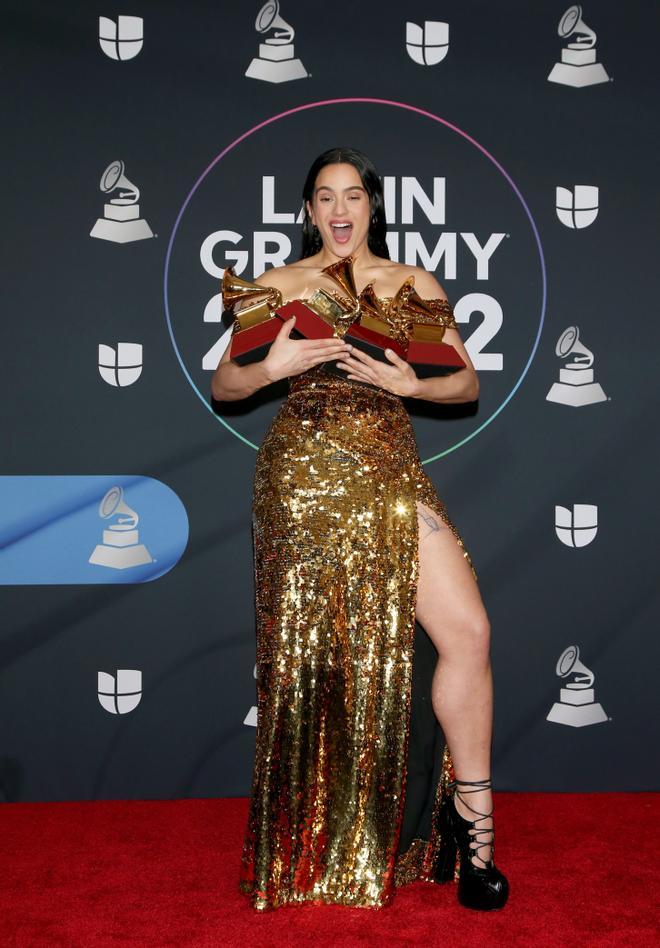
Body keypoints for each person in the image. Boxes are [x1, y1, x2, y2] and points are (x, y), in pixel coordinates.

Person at [211, 147, 509, 912]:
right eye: (323, 196)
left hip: (390, 473)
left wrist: (415, 383)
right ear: (309, 212)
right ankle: (318, 839)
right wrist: (274, 367)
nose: (339, 209)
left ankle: (472, 834)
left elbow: (467, 382)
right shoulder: (277, 287)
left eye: (353, 195)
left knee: (467, 632)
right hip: (302, 477)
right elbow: (226, 383)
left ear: (373, 207)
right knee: (316, 659)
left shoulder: (412, 284)